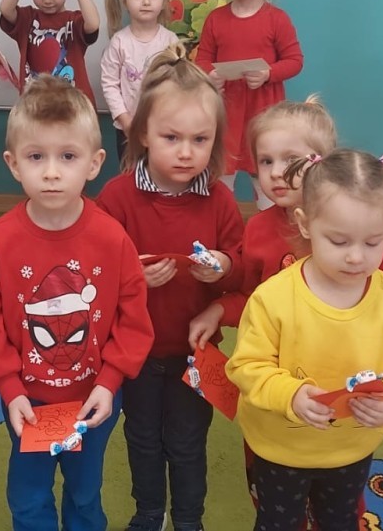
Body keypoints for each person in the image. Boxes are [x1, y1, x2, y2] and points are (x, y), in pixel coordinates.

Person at [0, 76, 154, 531]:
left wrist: (109, 382)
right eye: (36, 157)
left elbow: (133, 319)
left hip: (95, 397)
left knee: (86, 493)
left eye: (67, 156)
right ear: (13, 164)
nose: (51, 172)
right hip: (26, 399)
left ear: (94, 163)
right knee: (27, 495)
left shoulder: (112, 238)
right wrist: (9, 388)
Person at [227, 148, 383, 531]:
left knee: (340, 520)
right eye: (338, 241)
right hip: (280, 448)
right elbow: (246, 366)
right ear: (305, 224)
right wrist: (290, 394)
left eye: (373, 242)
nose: (356, 257)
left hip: (351, 450)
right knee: (277, 523)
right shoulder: (273, 298)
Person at [95, 49, 242, 531]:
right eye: (171, 137)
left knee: (186, 442)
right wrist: (132, 281)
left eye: (200, 139)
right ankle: (149, 512)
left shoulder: (219, 199)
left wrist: (222, 267)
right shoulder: (117, 197)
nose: (186, 152)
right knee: (141, 439)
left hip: (195, 353)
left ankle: (188, 518)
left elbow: (241, 270)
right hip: (134, 352)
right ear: (142, 134)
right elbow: (92, 274)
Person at [194, 0, 303, 207]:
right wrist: (209, 77)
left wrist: (268, 74)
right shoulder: (216, 19)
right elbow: (203, 58)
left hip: (264, 112)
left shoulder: (277, 19)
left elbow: (294, 60)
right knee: (220, 175)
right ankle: (220, 224)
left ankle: (270, 224)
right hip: (226, 112)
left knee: (266, 172)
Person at [0, 0, 103, 104]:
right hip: (35, 105)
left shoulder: (74, 21)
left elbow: (93, 23)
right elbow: (5, 9)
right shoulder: (27, 19)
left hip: (73, 107)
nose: (47, 0)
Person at [98, 0, 178, 158]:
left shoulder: (170, 41)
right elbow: (109, 84)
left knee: (161, 170)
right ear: (124, 1)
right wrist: (125, 121)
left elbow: (179, 83)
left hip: (164, 127)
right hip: (128, 128)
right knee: (131, 172)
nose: (146, 2)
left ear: (164, 0)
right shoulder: (119, 42)